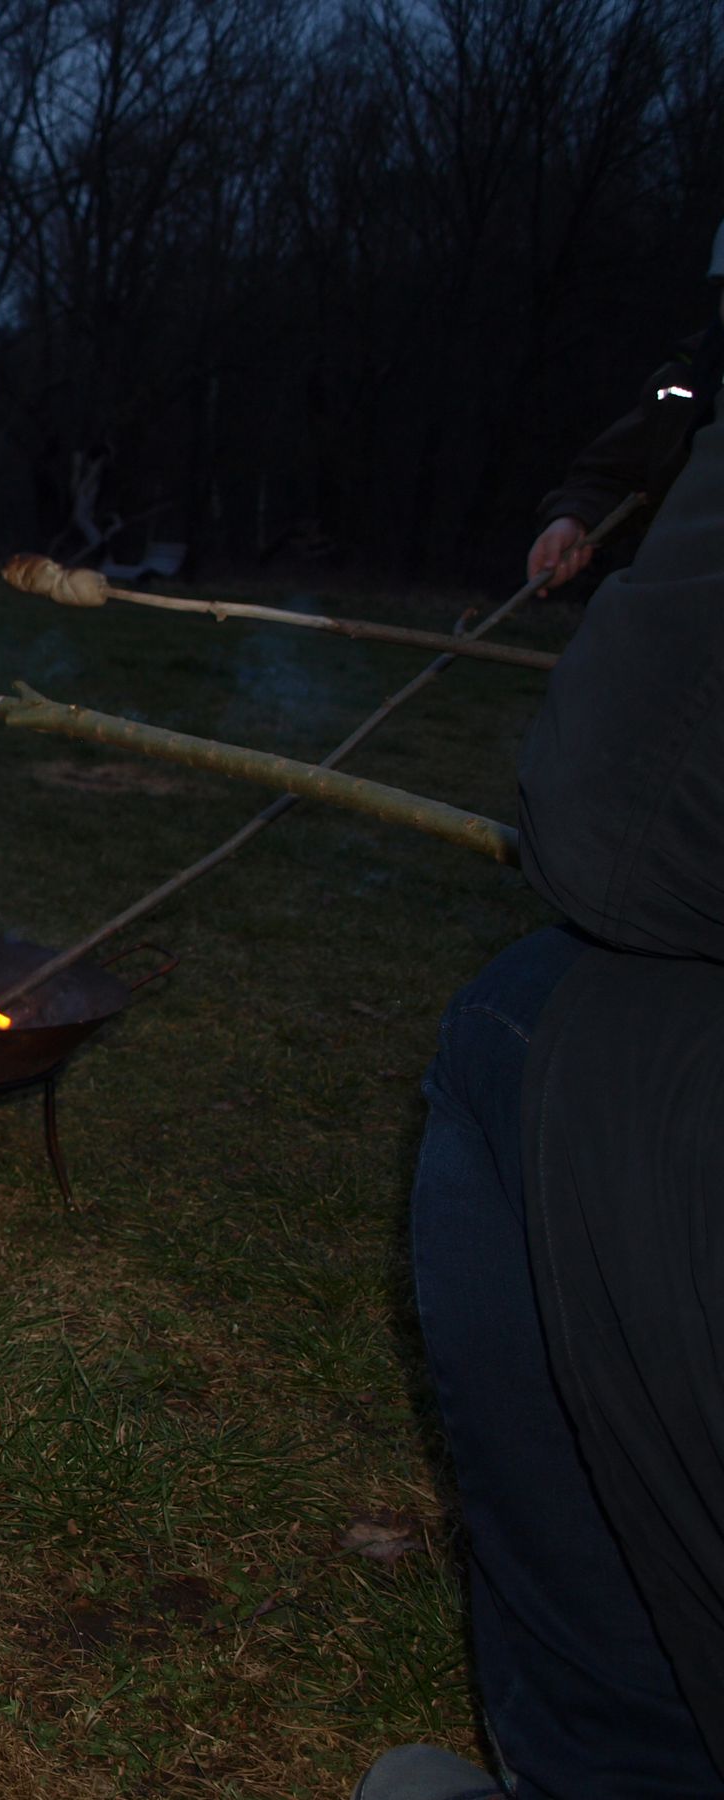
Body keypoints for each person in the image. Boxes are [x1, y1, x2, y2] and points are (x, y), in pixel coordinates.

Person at [360, 391, 724, 1794]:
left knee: (522, 1028)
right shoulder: (692, 376)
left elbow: (610, 827)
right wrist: (583, 505)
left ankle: (614, 1765)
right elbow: (668, 408)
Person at [521, 217, 723, 592]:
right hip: (663, 597)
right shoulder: (688, 382)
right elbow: (612, 473)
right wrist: (573, 519)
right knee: (611, 617)